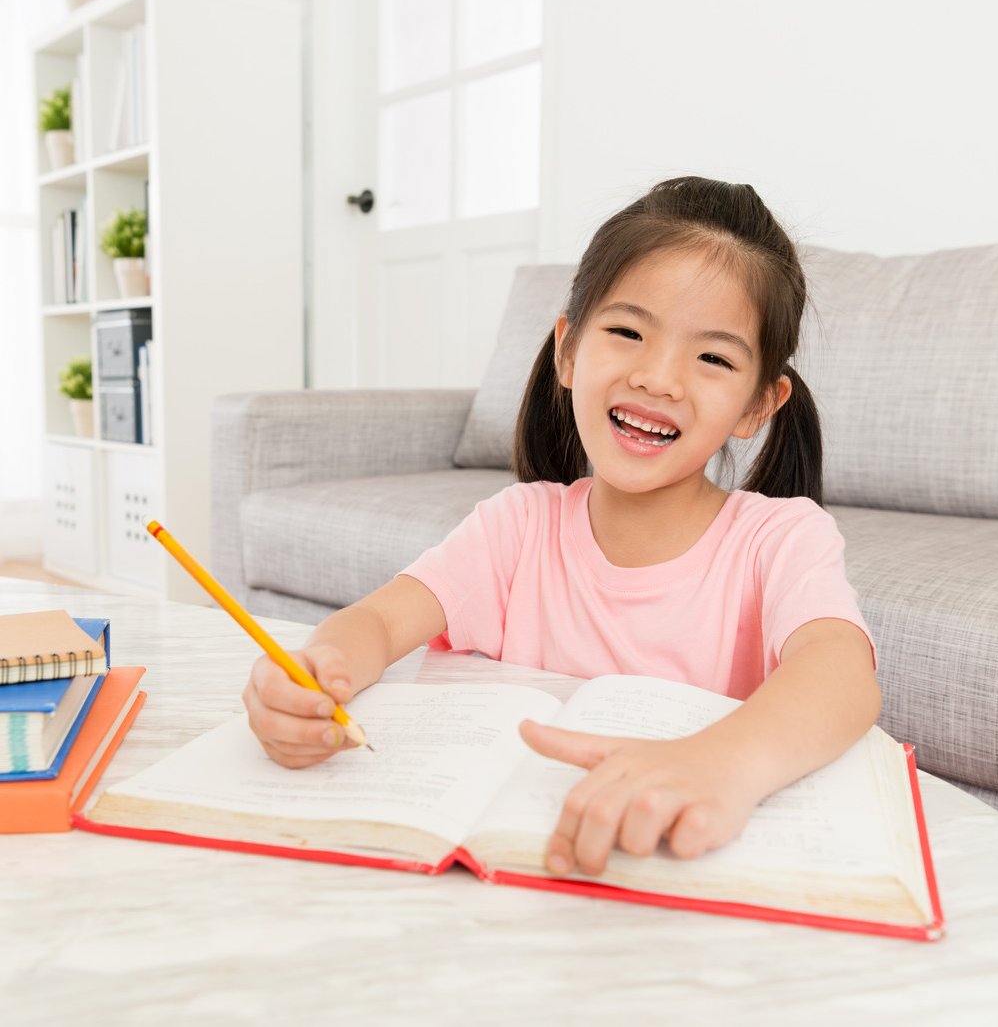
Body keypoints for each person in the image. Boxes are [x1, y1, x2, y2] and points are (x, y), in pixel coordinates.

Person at [243, 176, 879, 879]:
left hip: (681, 874)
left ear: (759, 403)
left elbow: (842, 673)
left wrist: (719, 764)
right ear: (568, 351)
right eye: (628, 332)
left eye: (712, 358)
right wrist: (314, 676)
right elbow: (377, 625)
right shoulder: (516, 527)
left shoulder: (781, 539)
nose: (659, 378)